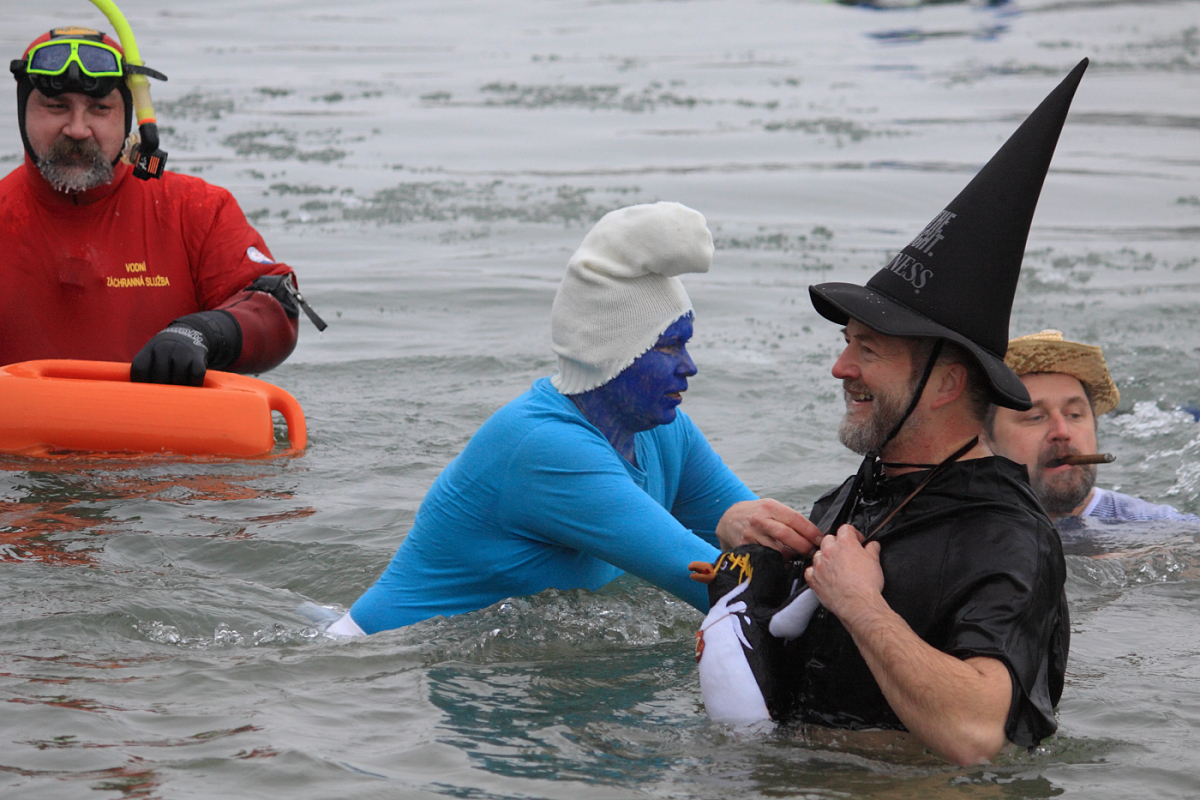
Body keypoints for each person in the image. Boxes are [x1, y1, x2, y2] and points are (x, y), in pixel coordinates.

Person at [693, 60, 1091, 765]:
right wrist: (741, 551)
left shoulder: (1008, 537)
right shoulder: (855, 497)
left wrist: (862, 606)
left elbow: (977, 734)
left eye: (868, 350)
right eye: (846, 343)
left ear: (945, 384)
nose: (841, 367)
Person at [328, 202, 818, 636]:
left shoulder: (667, 433)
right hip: (380, 661)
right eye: (669, 347)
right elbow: (728, 592)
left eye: (686, 344)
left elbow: (773, 551)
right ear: (614, 354)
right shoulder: (547, 448)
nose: (689, 367)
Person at [2, 24, 321, 386]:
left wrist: (202, 332)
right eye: (56, 106)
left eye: (100, 108)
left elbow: (276, 310)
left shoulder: (197, 210)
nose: (77, 129)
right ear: (23, 110)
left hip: (163, 424)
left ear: (129, 117)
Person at [984, 330, 1199, 522]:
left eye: (1074, 415)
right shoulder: (969, 531)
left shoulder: (1157, 528)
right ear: (985, 438)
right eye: (1035, 417)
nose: (1062, 431)